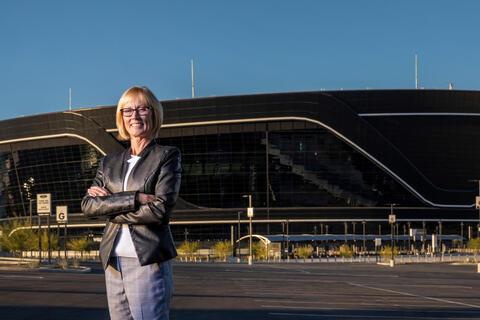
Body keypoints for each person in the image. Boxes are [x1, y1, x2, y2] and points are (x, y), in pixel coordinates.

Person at [81, 86, 181, 320]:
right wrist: (135, 198)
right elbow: (88, 206)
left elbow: (159, 210)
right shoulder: (109, 162)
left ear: (153, 114)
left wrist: (108, 203)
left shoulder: (166, 156)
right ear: (121, 117)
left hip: (147, 259)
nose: (134, 116)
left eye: (142, 109)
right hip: (113, 260)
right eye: (127, 111)